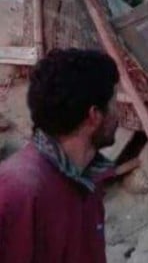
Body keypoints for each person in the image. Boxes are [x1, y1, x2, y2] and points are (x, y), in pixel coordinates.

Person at [0, 48, 120, 263]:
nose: (117, 113)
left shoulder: (87, 180)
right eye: (113, 103)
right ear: (94, 116)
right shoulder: (17, 192)